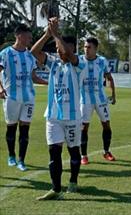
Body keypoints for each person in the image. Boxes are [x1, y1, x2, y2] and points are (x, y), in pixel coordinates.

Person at [31, 18, 83, 200]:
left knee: (73, 151)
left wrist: (56, 34)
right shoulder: (53, 63)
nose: (58, 51)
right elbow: (34, 52)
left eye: (62, 49)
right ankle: (56, 189)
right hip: (53, 116)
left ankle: (73, 181)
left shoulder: (78, 64)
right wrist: (47, 34)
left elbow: (67, 53)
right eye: (57, 49)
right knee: (54, 151)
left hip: (73, 117)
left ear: (71, 50)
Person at [0, 24, 47, 171]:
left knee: (25, 129)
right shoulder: (5, 54)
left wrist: (50, 83)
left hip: (28, 97)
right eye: (28, 37)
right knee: (12, 128)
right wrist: (0, 88)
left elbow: (34, 77)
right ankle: (11, 156)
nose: (30, 39)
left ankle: (22, 160)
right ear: (19, 35)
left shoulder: (29, 56)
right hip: (11, 97)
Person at [79, 37, 116, 165]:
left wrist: (113, 94)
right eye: (84, 47)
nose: (86, 49)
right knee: (84, 127)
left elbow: (109, 78)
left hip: (101, 99)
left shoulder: (102, 61)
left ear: (95, 49)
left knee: (106, 125)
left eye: (89, 47)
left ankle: (106, 151)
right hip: (85, 99)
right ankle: (83, 155)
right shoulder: (79, 60)